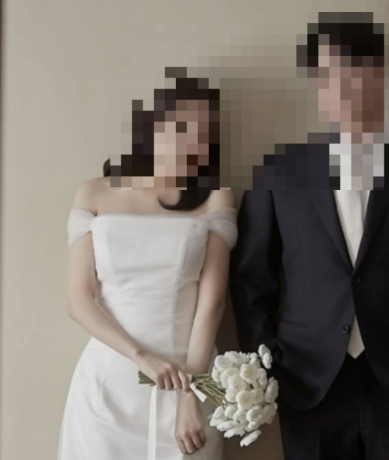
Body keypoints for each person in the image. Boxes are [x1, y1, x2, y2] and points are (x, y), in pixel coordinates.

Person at [230, 12, 389, 460]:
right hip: (308, 383)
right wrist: (266, 367)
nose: (341, 86)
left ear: (378, 73)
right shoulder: (277, 174)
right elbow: (252, 281)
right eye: (327, 75)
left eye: (353, 70)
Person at [58, 70, 236, 460]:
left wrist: (191, 393)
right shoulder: (93, 192)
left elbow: (213, 304)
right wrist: (142, 357)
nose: (192, 143)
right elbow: (79, 301)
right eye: (182, 128)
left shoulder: (216, 197)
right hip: (107, 387)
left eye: (203, 135)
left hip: (189, 381)